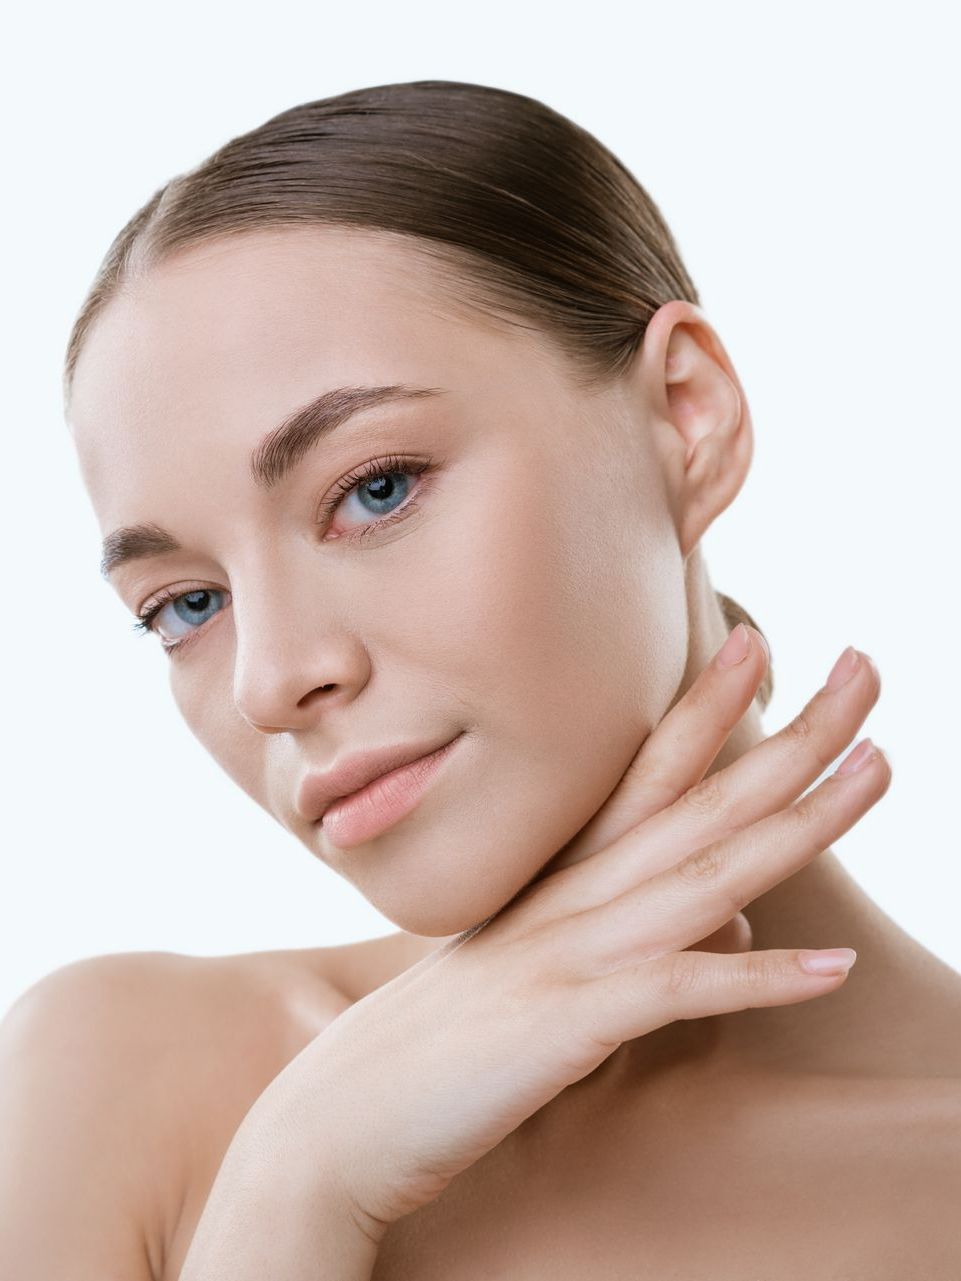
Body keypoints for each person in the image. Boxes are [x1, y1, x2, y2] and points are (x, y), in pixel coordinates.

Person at [2, 79, 959, 1280]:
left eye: (374, 488)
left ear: (685, 416)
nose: (271, 680)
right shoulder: (118, 1081)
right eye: (186, 605)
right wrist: (293, 1185)